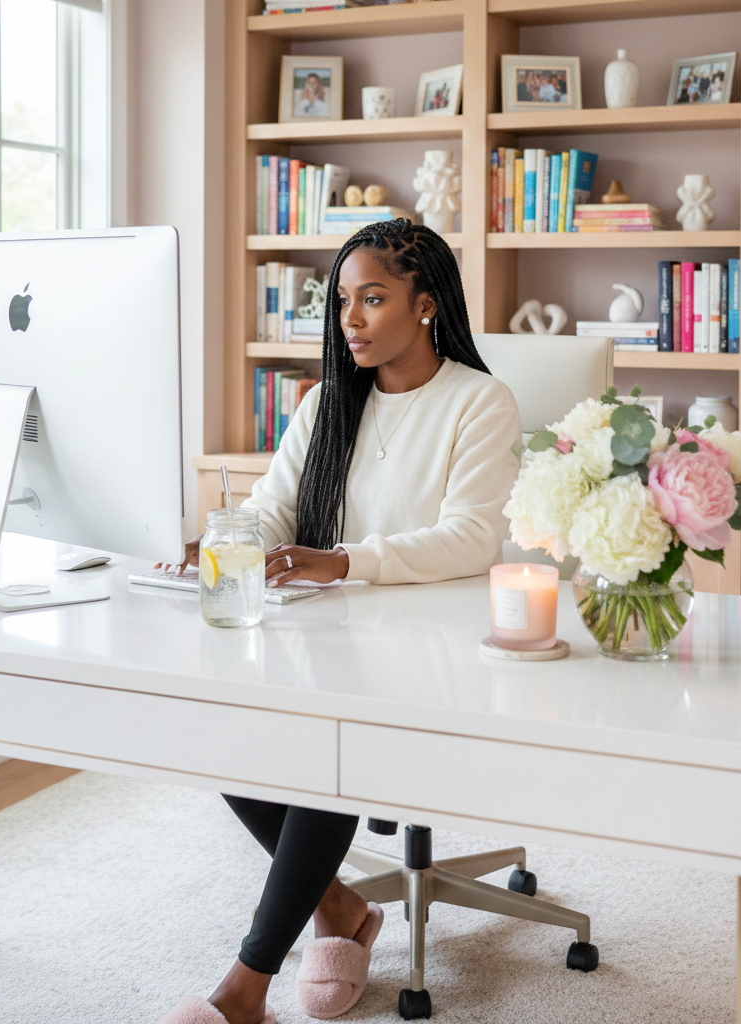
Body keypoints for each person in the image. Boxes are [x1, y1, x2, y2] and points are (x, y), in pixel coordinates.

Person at [157, 219, 522, 1024]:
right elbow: (269, 510)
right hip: (330, 643)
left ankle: (243, 988)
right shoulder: (326, 403)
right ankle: (338, 909)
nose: (349, 318)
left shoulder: (479, 400)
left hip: (439, 656)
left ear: (426, 306)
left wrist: (347, 559)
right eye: (342, 301)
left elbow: (473, 536)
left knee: (326, 746)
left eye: (373, 299)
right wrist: (222, 539)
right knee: (215, 724)